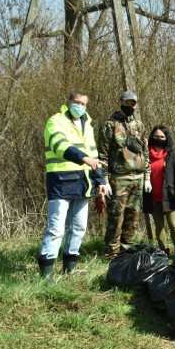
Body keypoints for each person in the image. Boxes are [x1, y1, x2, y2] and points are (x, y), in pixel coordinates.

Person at [39, 90, 108, 279]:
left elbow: (93, 154)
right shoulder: (56, 121)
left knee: (79, 228)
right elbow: (58, 145)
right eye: (77, 102)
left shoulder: (88, 125)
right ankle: (46, 274)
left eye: (84, 104)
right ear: (69, 102)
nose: (80, 106)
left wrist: (100, 181)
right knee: (56, 229)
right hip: (60, 182)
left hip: (83, 183)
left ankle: (69, 270)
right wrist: (82, 158)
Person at [98, 90, 150, 258]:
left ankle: (127, 251)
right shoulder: (110, 125)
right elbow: (102, 155)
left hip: (138, 177)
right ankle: (112, 253)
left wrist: (147, 176)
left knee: (133, 216)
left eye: (133, 103)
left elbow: (145, 152)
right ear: (120, 102)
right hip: (119, 178)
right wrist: (104, 179)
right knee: (115, 216)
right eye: (127, 102)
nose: (130, 106)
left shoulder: (139, 125)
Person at [143, 125, 175, 257]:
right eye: (156, 136)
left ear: (166, 138)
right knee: (159, 226)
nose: (159, 139)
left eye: (162, 137)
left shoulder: (172, 154)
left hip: (170, 197)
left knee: (173, 225)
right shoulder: (145, 154)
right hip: (153, 197)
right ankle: (163, 251)